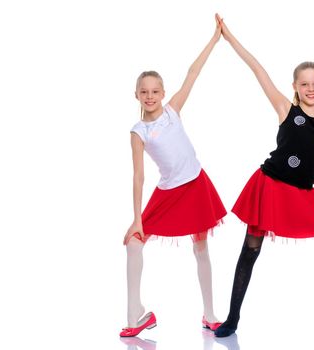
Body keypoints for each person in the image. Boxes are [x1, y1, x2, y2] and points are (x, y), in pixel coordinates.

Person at [214, 15, 314, 337]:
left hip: (303, 193)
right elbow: (257, 68)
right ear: (295, 86)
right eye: (304, 84)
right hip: (271, 186)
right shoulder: (285, 109)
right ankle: (232, 318)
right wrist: (229, 36)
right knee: (251, 249)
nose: (310, 89)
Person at [120, 15, 226, 337]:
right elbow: (138, 176)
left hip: (195, 185)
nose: (150, 96)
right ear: (136, 95)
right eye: (144, 92)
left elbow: (193, 72)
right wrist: (137, 218)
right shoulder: (139, 131)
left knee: (201, 247)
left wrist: (215, 38)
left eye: (155, 91)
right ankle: (135, 315)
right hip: (168, 192)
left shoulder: (172, 110)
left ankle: (209, 314)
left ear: (163, 92)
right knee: (134, 244)